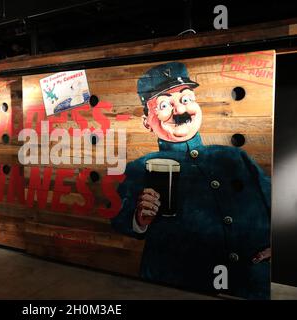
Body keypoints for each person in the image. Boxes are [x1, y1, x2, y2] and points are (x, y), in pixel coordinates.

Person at [111, 62, 271, 299]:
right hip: (176, 284)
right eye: (164, 105)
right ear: (147, 121)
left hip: (250, 283)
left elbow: (274, 199)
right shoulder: (138, 168)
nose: (180, 110)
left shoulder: (235, 157)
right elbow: (118, 217)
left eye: (186, 99)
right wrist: (139, 219)